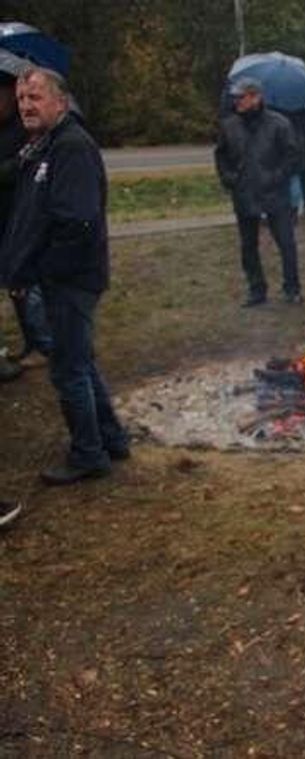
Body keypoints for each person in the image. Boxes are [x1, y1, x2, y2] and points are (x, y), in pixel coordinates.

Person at [0, 67, 130, 485]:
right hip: (58, 278)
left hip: (70, 280)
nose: (26, 106)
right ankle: (111, 438)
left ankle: (88, 454)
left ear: (61, 101)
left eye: (35, 97)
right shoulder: (43, 146)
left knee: (68, 369)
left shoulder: (71, 147)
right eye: (21, 99)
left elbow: (77, 224)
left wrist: (41, 272)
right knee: (80, 362)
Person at [214, 77, 303, 307]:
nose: (237, 102)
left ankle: (292, 289)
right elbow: (221, 156)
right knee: (248, 246)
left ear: (256, 97)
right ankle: (256, 290)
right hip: (244, 195)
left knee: (286, 244)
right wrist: (229, 178)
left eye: (242, 97)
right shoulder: (229, 125)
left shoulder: (279, 124)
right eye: (235, 98)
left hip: (275, 195)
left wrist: (275, 177)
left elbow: (293, 157)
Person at [0, 70, 52, 371]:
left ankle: (43, 343)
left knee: (25, 285)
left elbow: (21, 166)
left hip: (20, 219)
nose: (21, 103)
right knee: (16, 284)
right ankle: (36, 340)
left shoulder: (28, 130)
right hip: (4, 219)